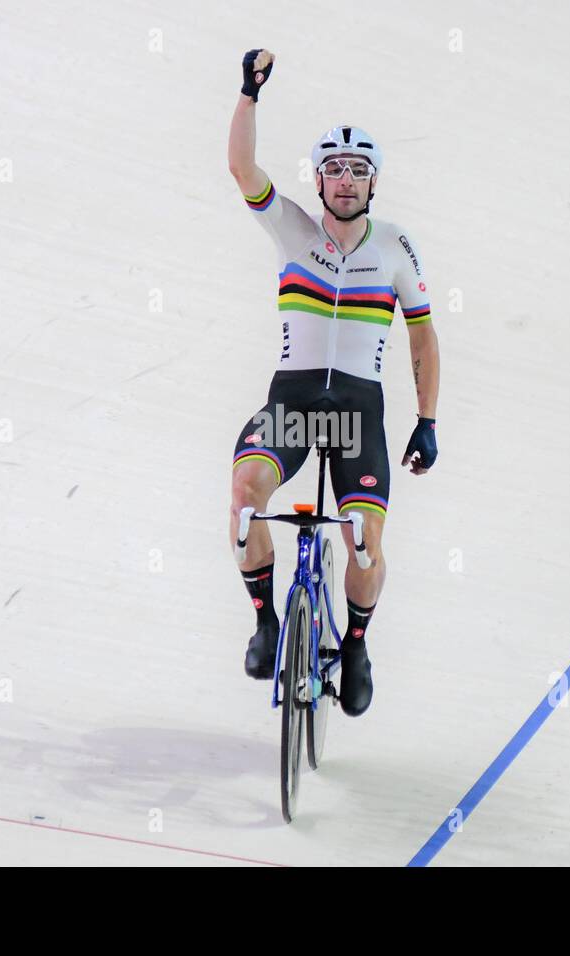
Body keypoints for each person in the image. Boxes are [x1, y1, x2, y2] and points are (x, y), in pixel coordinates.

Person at [227, 48, 440, 717]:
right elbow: (241, 169)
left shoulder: (395, 248)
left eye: (357, 171)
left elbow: (423, 335)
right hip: (291, 405)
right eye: (334, 170)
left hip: (357, 414)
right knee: (243, 501)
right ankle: (266, 620)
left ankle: (354, 646)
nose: (345, 181)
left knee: (364, 545)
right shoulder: (291, 228)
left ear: (373, 182)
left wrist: (426, 420)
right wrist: (248, 95)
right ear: (317, 181)